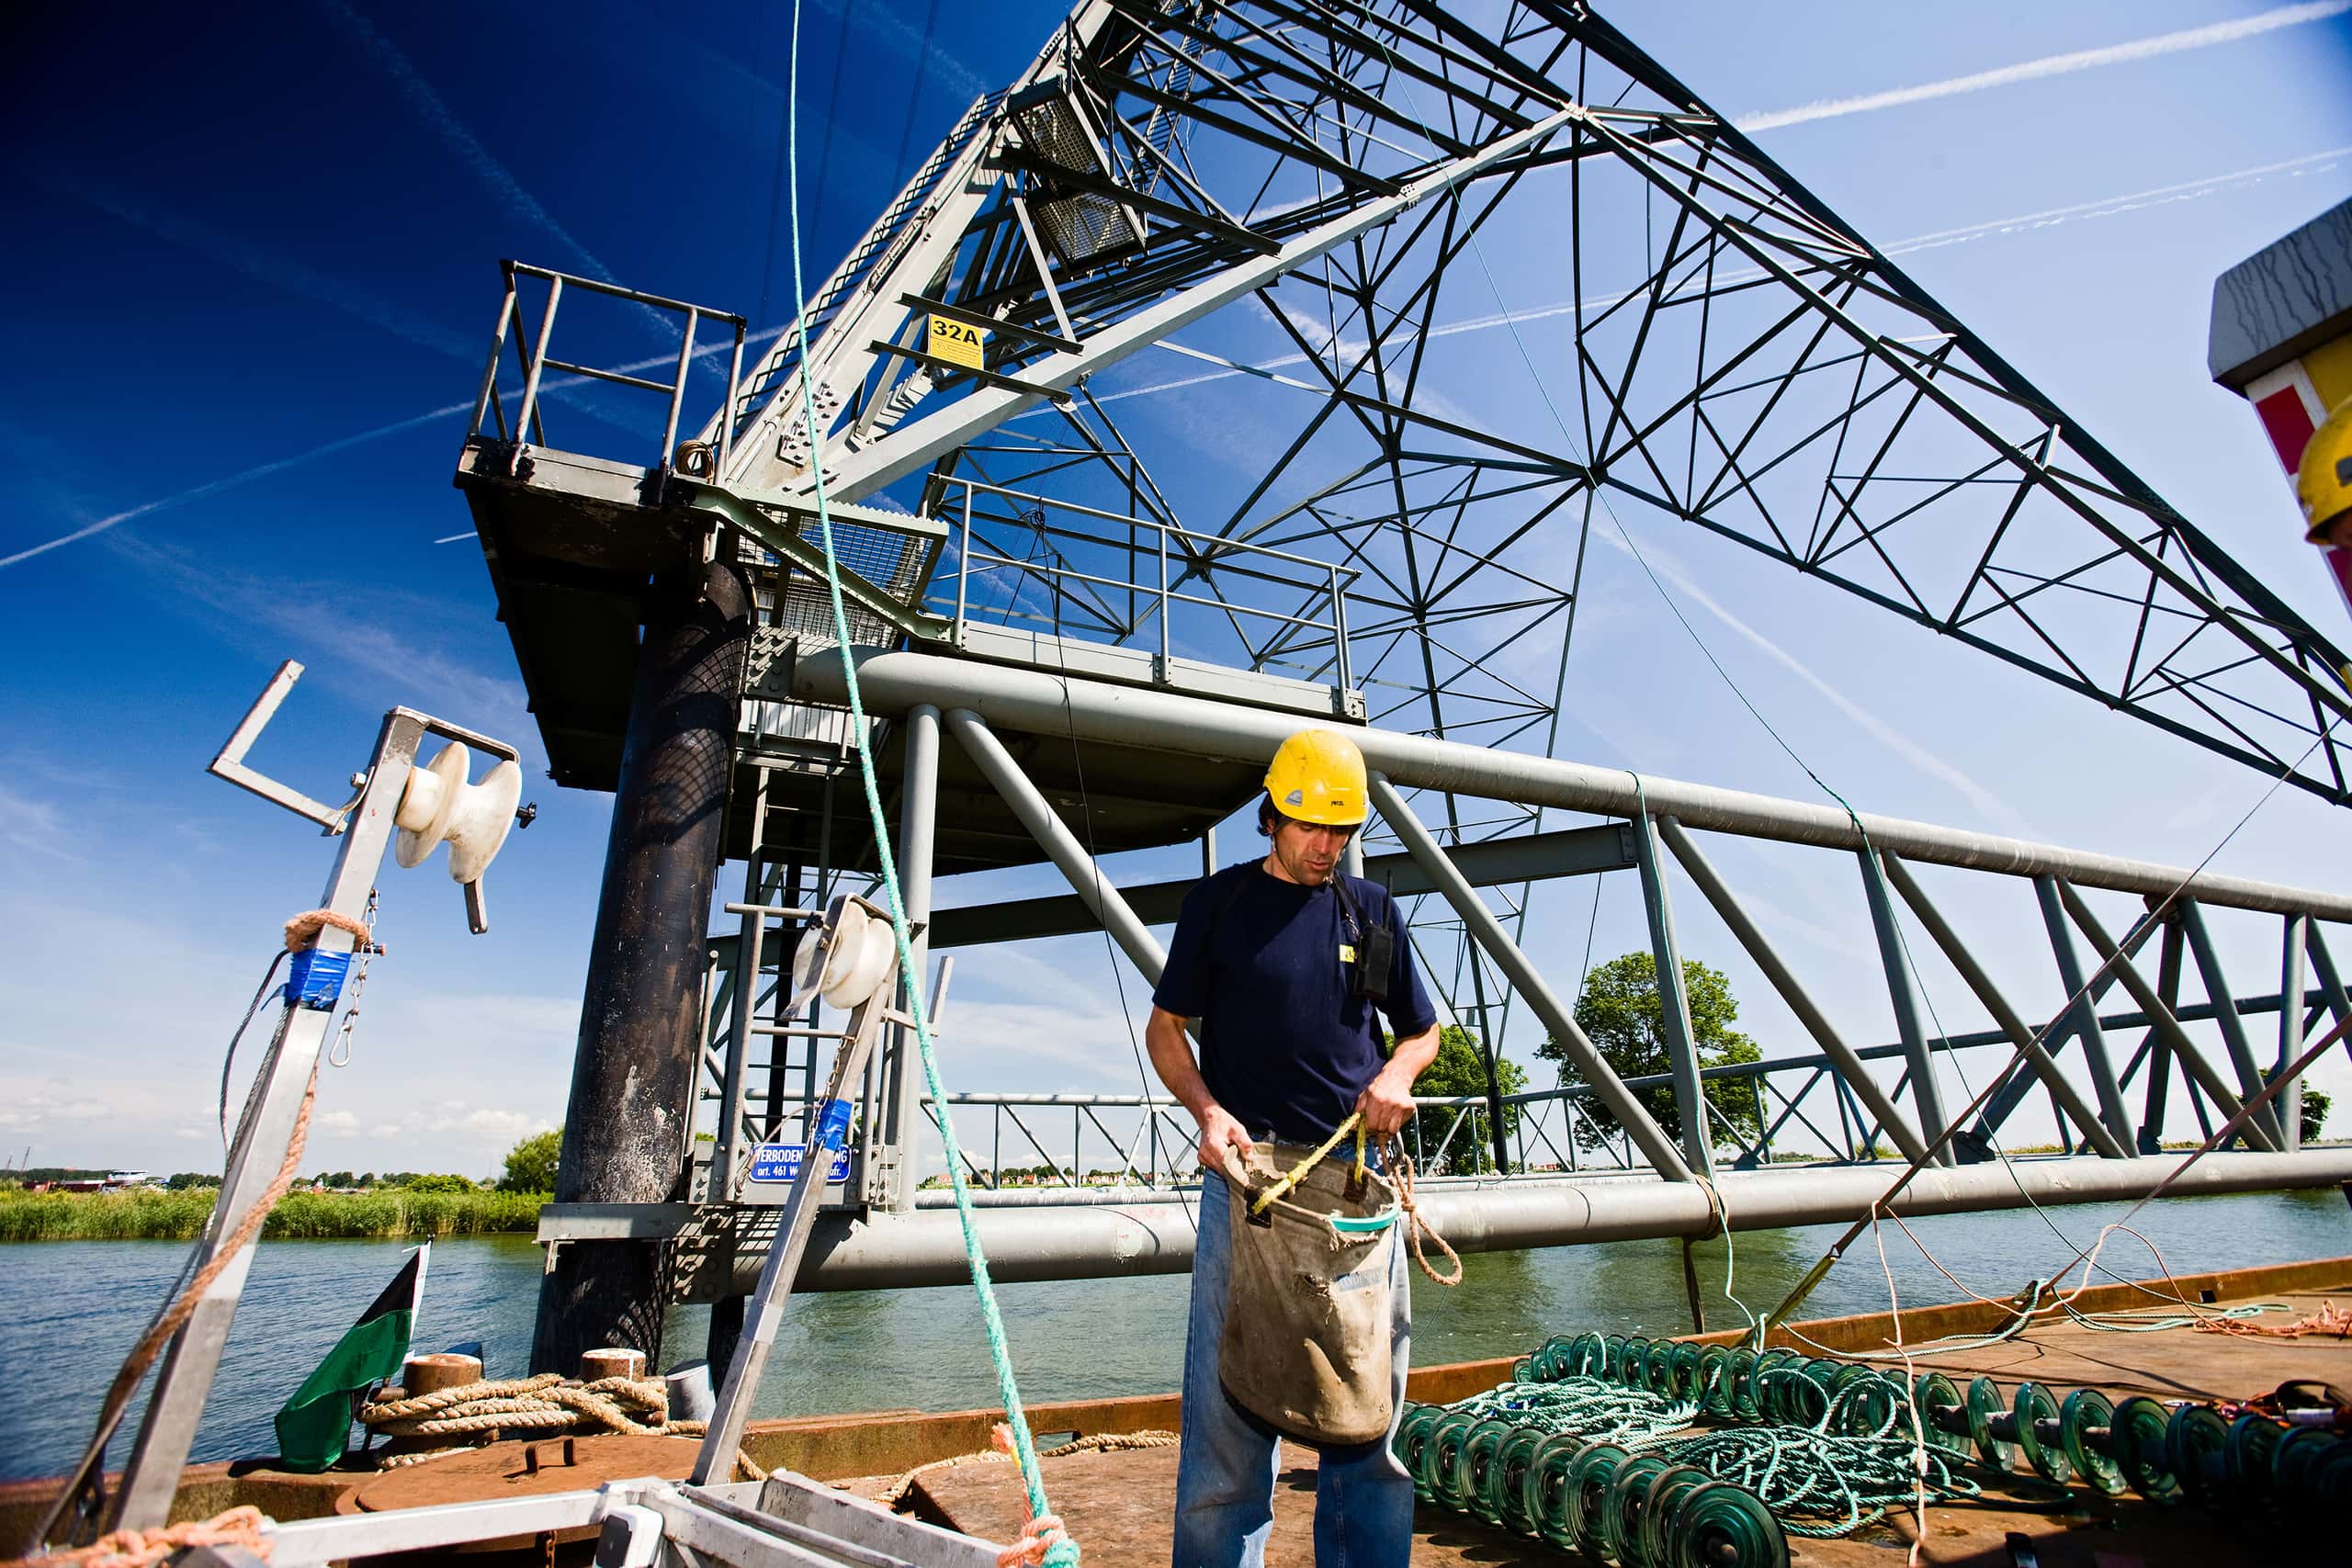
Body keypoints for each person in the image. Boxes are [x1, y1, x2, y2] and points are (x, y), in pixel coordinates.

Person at [1145, 728, 1443, 1568]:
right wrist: (1206, 1111)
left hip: (1356, 1184)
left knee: (1368, 1418)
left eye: (1344, 830)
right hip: (1248, 1186)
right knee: (1225, 1421)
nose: (1329, 847)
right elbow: (1165, 1031)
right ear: (1272, 815)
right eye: (1313, 827)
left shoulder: (1371, 907)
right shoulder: (1218, 905)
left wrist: (1395, 1076)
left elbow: (1421, 1033)